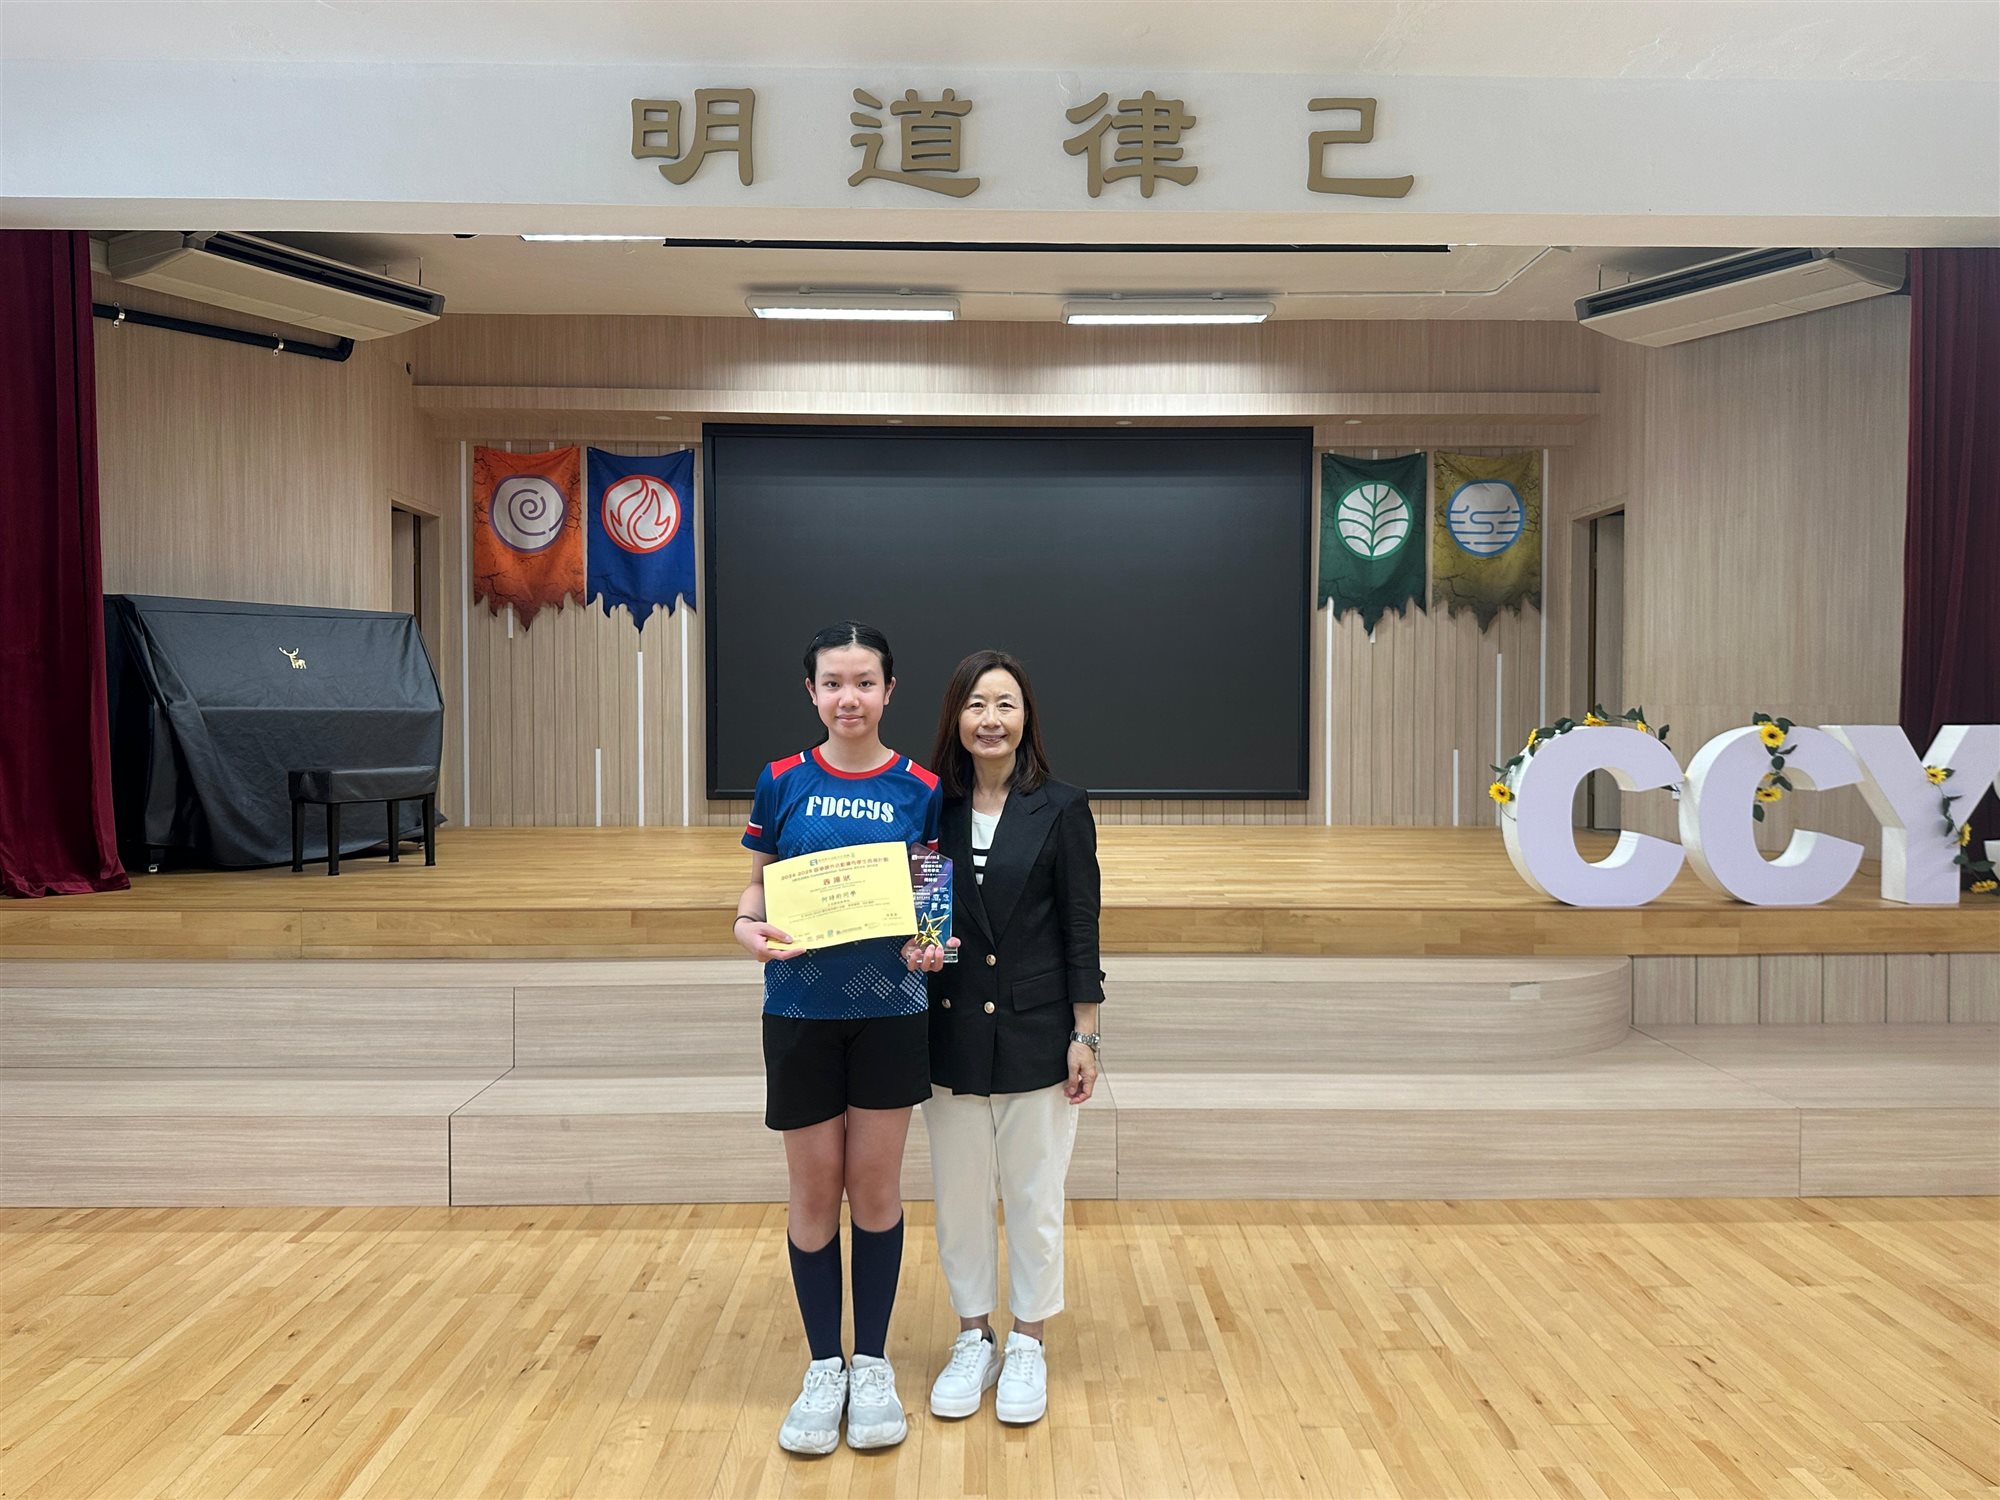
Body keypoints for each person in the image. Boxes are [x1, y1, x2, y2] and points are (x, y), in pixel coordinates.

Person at [735, 621, 941, 1455]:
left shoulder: (922, 786)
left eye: (864, 682)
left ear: (889, 691)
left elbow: (932, 900)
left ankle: (874, 1362)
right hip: (799, 1014)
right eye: (832, 683)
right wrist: (745, 927)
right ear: (811, 692)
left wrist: (933, 944)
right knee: (815, 1191)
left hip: (891, 1012)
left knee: (877, 1189)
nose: (848, 698)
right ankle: (826, 1364)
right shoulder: (781, 779)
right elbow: (755, 890)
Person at [903, 648, 1103, 1426]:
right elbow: (929, 921)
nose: (990, 719)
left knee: (1033, 1195)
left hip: (1037, 1032)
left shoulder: (1063, 807)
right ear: (956, 717)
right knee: (959, 1198)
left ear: (1026, 719)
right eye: (976, 705)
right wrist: (920, 949)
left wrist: (1086, 1035)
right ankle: (973, 1337)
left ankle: (1027, 1341)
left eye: (1005, 704)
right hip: (950, 1030)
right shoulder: (932, 808)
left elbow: (1080, 929)